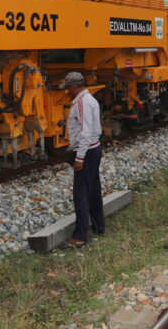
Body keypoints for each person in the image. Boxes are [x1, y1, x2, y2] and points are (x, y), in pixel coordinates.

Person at [61, 72, 105, 248]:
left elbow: (86, 132)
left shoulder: (82, 103)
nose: (67, 92)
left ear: (73, 87)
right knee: (94, 190)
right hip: (94, 149)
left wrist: (79, 158)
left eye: (68, 88)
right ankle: (99, 227)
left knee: (81, 194)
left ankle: (80, 237)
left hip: (86, 152)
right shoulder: (90, 99)